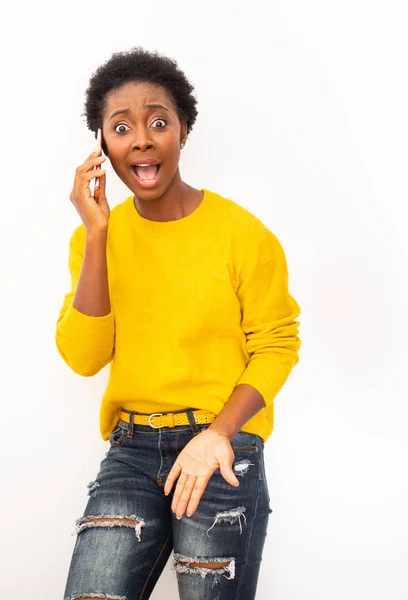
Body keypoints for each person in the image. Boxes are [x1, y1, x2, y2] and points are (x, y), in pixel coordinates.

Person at [55, 46, 301, 600]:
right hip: (132, 450)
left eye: (158, 121)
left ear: (183, 132)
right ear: (103, 147)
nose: (141, 138)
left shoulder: (243, 235)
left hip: (222, 446)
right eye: (122, 127)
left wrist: (219, 434)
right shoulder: (95, 241)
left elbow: (277, 344)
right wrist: (97, 233)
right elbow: (84, 356)